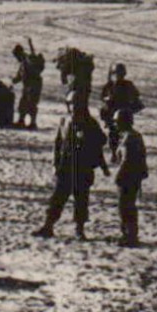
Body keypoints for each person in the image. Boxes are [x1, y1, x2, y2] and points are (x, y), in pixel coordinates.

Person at [34, 95, 110, 241]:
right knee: (57, 199)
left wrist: (102, 165)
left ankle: (79, 230)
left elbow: (101, 142)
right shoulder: (64, 121)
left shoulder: (90, 123)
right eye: (71, 104)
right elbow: (58, 144)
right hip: (65, 168)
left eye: (77, 104)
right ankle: (48, 226)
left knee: (81, 200)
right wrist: (55, 164)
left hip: (82, 169)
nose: (74, 108)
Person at [111, 110, 148, 247]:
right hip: (135, 176)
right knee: (130, 206)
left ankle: (128, 235)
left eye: (117, 121)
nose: (115, 124)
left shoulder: (128, 138)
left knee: (125, 207)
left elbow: (126, 160)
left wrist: (118, 176)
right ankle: (131, 234)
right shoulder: (136, 136)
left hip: (127, 177)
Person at [99, 63, 144, 150]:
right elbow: (103, 100)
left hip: (125, 115)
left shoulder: (128, 85)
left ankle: (125, 151)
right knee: (113, 134)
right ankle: (114, 152)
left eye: (120, 74)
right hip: (112, 115)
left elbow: (136, 100)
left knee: (126, 134)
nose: (117, 76)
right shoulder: (108, 86)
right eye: (115, 74)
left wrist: (130, 109)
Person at [12, 42, 46, 130]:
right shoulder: (23, 62)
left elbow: (35, 69)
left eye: (16, 56)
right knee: (23, 103)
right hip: (27, 85)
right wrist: (15, 80)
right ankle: (21, 121)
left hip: (34, 85)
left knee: (31, 104)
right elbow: (20, 74)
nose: (16, 59)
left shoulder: (28, 59)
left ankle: (33, 123)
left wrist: (33, 60)